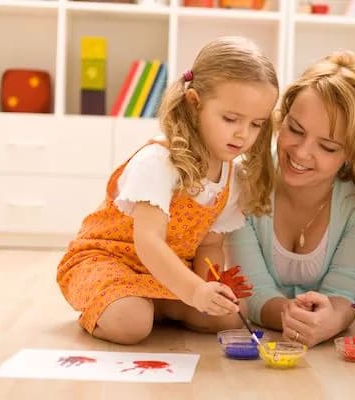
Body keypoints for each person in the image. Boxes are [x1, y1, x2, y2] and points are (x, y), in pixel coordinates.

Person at [57, 36, 279, 344]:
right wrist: (193, 292)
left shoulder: (232, 176)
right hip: (107, 262)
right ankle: (115, 307)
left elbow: (210, 246)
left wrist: (209, 287)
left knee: (229, 314)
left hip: (168, 275)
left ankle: (158, 305)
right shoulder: (160, 160)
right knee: (131, 323)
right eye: (231, 119)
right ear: (194, 103)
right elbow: (148, 242)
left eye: (256, 124)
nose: (243, 134)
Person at [225, 51, 355, 348]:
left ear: (353, 153)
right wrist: (291, 317)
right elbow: (250, 291)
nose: (301, 153)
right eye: (295, 129)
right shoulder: (244, 179)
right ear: (282, 116)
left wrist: (330, 320)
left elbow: (344, 293)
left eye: (328, 146)